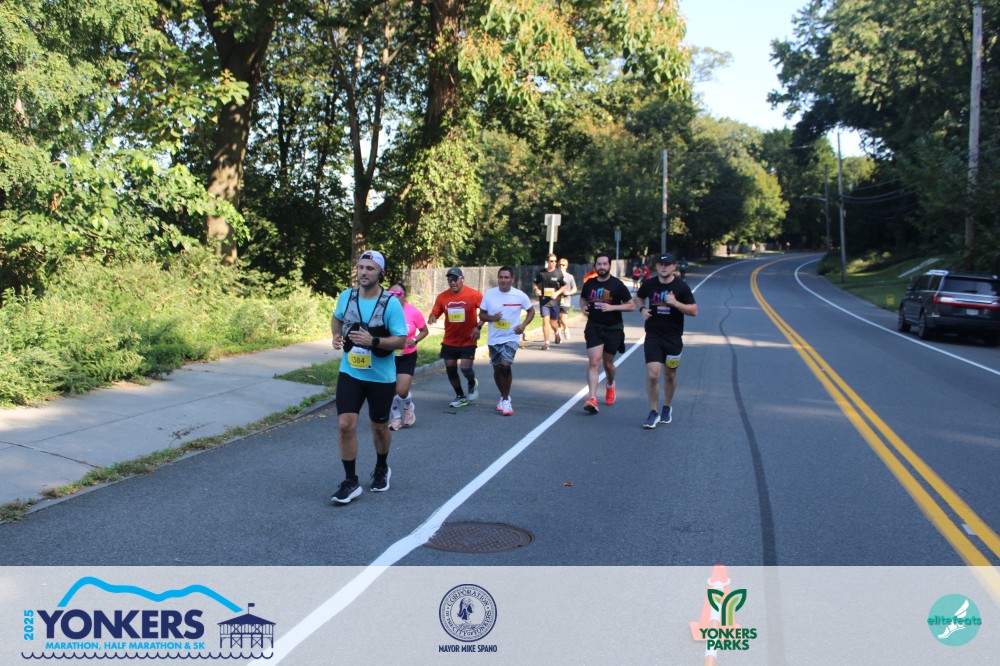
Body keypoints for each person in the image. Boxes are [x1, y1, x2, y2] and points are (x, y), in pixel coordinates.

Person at [330, 250, 407, 504]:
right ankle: (350, 481)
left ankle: (382, 467)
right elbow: (336, 318)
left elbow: (401, 340)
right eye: (361, 267)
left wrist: (372, 340)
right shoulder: (346, 296)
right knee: (345, 425)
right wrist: (336, 335)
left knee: (379, 427)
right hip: (350, 373)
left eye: (370, 268)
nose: (363, 272)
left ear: (380, 273)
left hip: (380, 377)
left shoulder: (390, 303)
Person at [633, 252, 698, 429]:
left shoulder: (681, 286)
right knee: (653, 375)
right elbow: (639, 296)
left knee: (670, 376)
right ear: (656, 267)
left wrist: (676, 303)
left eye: (667, 264)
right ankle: (653, 411)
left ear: (673, 267)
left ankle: (667, 407)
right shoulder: (649, 284)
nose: (664, 267)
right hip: (653, 335)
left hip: (673, 338)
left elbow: (694, 311)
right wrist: (642, 310)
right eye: (661, 264)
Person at [579, 252, 634, 414]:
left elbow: (630, 306)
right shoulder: (590, 284)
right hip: (594, 326)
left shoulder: (617, 285)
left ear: (609, 265)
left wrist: (612, 307)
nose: (602, 267)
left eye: (605, 264)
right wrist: (584, 308)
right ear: (595, 266)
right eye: (599, 264)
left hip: (613, 328)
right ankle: (592, 398)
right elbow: (583, 299)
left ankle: (610, 384)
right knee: (594, 362)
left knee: (608, 364)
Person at [478, 266, 535, 416]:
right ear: (498, 279)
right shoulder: (489, 294)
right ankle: (503, 396)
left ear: (512, 279)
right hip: (494, 338)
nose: (503, 280)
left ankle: (506, 400)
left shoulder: (519, 295)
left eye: (506, 277)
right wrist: (491, 318)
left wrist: (523, 325)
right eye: (501, 277)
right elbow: (481, 315)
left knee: (505, 366)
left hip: (511, 336)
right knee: (497, 369)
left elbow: (531, 310)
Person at [428, 267, 483, 407]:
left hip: (468, 339)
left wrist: (478, 327)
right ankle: (460, 396)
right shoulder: (442, 297)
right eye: (449, 279)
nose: (452, 282)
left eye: (455, 279)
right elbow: (436, 312)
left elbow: (486, 311)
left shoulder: (474, 294)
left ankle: (471, 383)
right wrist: (433, 316)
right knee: (450, 367)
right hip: (450, 340)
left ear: (462, 279)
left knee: (465, 368)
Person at [387, 282, 429, 431]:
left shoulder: (413, 312)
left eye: (398, 294)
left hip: (407, 355)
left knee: (402, 390)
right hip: (388, 355)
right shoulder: (384, 311)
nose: (395, 297)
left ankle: (408, 406)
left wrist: (415, 339)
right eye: (391, 294)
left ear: (405, 296)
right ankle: (396, 417)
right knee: (389, 390)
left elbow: (424, 330)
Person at [533, 253, 566, 349]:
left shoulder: (558, 273)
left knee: (553, 323)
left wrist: (556, 293)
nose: (554, 263)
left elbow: (564, 286)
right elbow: (535, 283)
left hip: (555, 301)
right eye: (551, 261)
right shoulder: (541, 273)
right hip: (544, 301)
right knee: (545, 322)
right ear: (547, 262)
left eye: (555, 261)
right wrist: (536, 290)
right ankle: (546, 343)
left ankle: (557, 332)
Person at [557, 258, 577, 341]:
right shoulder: (554, 275)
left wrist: (569, 293)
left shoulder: (570, 277)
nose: (561, 266)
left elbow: (575, 288)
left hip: (565, 300)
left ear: (566, 266)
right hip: (555, 300)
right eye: (560, 265)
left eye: (563, 265)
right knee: (557, 319)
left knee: (563, 319)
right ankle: (558, 336)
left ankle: (565, 328)